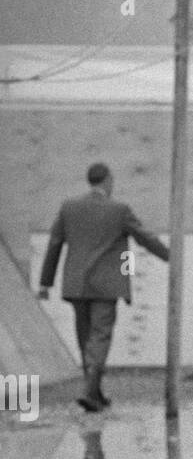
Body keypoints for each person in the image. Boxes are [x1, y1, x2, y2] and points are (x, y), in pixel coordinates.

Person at [38, 162, 169, 411]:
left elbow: (54, 244)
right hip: (106, 286)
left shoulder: (69, 208)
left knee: (85, 338)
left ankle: (94, 393)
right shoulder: (119, 210)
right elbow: (144, 238)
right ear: (108, 181)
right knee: (99, 336)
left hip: (76, 285)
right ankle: (90, 391)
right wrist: (169, 255)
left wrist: (45, 283)